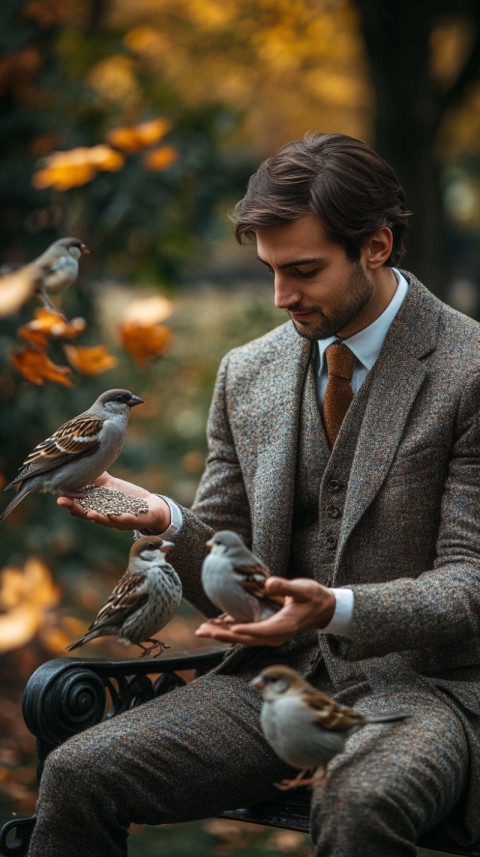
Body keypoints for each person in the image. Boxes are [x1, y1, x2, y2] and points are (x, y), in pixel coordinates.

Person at [28, 132, 480, 857]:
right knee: (78, 771)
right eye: (270, 270)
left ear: (377, 246)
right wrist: (168, 520)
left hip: (421, 695)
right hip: (267, 682)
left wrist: (338, 607)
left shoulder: (469, 368)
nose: (281, 297)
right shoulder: (248, 372)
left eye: (303, 270)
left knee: (360, 801)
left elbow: (470, 585)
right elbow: (229, 583)